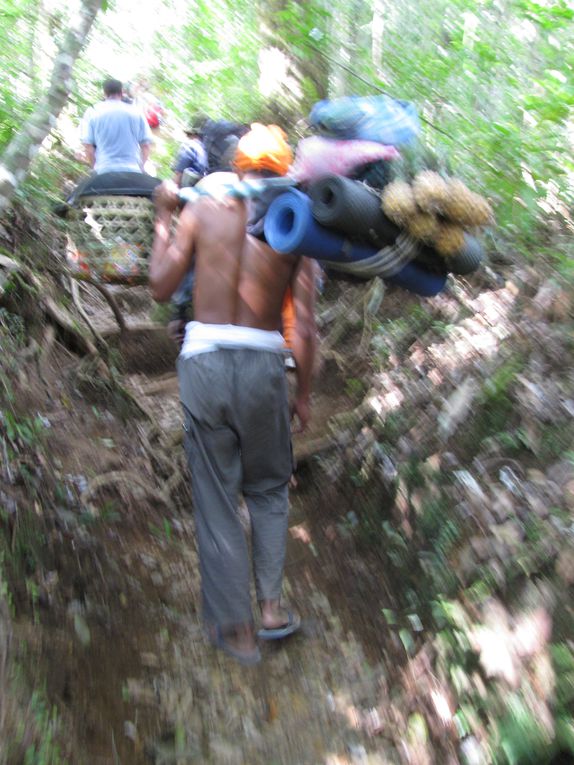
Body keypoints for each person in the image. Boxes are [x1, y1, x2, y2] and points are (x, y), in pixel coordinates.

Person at [149, 124, 316, 666]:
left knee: (218, 499)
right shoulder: (298, 223)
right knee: (268, 489)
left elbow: (159, 285)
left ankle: (237, 631)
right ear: (284, 170)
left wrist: (162, 218)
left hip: (205, 364)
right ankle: (270, 610)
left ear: (237, 167)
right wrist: (304, 395)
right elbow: (307, 328)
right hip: (265, 365)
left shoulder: (201, 209)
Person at [80, 78, 153, 175]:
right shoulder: (136, 112)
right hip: (132, 170)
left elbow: (88, 146)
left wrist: (95, 168)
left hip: (104, 169)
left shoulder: (92, 112)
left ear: (104, 93)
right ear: (122, 92)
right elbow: (146, 146)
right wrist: (141, 168)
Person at [172, 118, 209, 187]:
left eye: (188, 135)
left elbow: (177, 177)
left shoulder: (189, 146)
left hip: (185, 193)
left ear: (193, 134)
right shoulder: (206, 152)